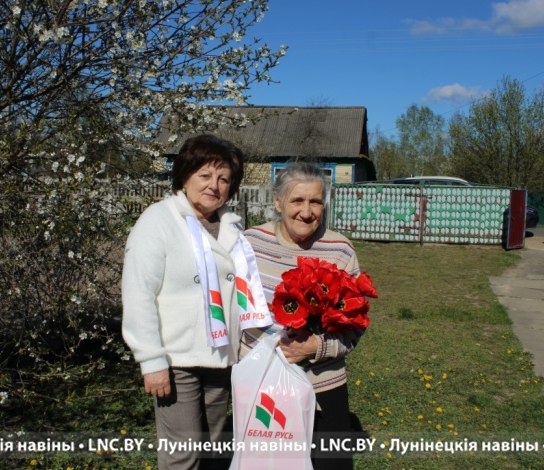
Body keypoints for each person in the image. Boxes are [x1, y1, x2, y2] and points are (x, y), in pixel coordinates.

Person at [122, 134, 271, 469]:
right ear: (185, 176)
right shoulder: (158, 221)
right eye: (205, 175)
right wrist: (151, 360)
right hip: (177, 360)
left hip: (222, 359)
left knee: (215, 451)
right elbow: (138, 294)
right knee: (183, 456)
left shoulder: (232, 226)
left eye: (224, 179)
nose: (214, 186)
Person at [242, 162, 365, 470]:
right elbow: (235, 311)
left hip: (323, 384)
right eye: (297, 200)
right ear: (278, 201)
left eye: (316, 202)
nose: (307, 212)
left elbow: (356, 324)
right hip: (264, 384)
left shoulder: (339, 250)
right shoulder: (250, 244)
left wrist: (315, 347)